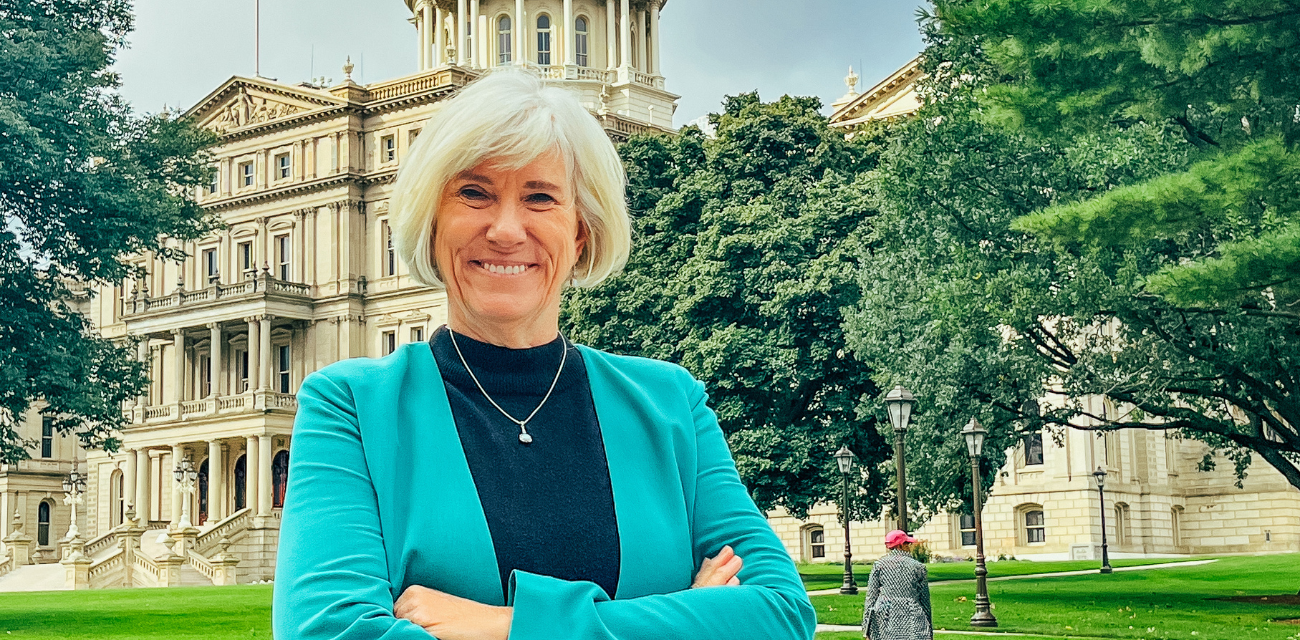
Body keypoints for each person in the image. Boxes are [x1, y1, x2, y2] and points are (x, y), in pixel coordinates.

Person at [271, 69, 816, 640]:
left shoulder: (670, 403)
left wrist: (506, 625)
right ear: (432, 225)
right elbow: (326, 631)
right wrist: (684, 616)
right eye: (474, 193)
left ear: (580, 233)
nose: (506, 230)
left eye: (540, 198)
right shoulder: (352, 407)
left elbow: (780, 615)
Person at [862, 530, 933, 640]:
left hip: (885, 613)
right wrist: (929, 628)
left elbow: (871, 598)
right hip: (911, 612)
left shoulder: (879, 565)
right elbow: (924, 600)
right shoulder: (918, 567)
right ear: (901, 545)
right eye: (907, 544)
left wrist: (866, 628)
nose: (909, 547)